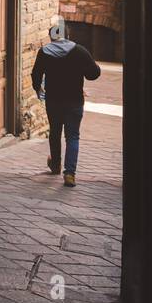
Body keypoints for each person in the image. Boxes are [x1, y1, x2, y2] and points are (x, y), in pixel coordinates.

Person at [30, 19, 101, 187]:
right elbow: (93, 74)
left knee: (55, 132)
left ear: (52, 37)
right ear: (67, 35)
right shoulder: (80, 51)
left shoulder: (44, 52)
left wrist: (38, 90)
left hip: (54, 101)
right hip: (75, 101)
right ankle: (69, 174)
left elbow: (36, 76)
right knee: (73, 136)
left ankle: (55, 165)